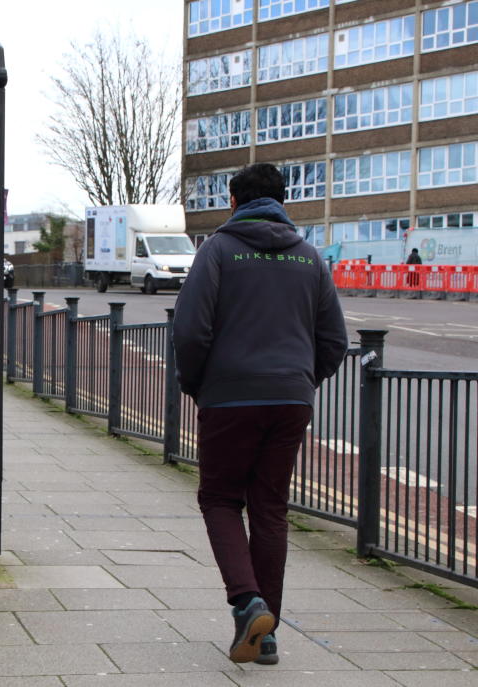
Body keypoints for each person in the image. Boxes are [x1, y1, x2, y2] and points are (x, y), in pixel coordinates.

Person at [172, 163, 348, 665]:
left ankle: (247, 603)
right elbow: (333, 340)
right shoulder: (310, 258)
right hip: (291, 399)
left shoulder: (219, 251)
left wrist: (197, 383)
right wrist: (301, 379)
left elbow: (190, 331)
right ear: (282, 200)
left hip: (229, 397)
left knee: (221, 499)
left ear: (234, 201)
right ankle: (265, 636)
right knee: (269, 507)